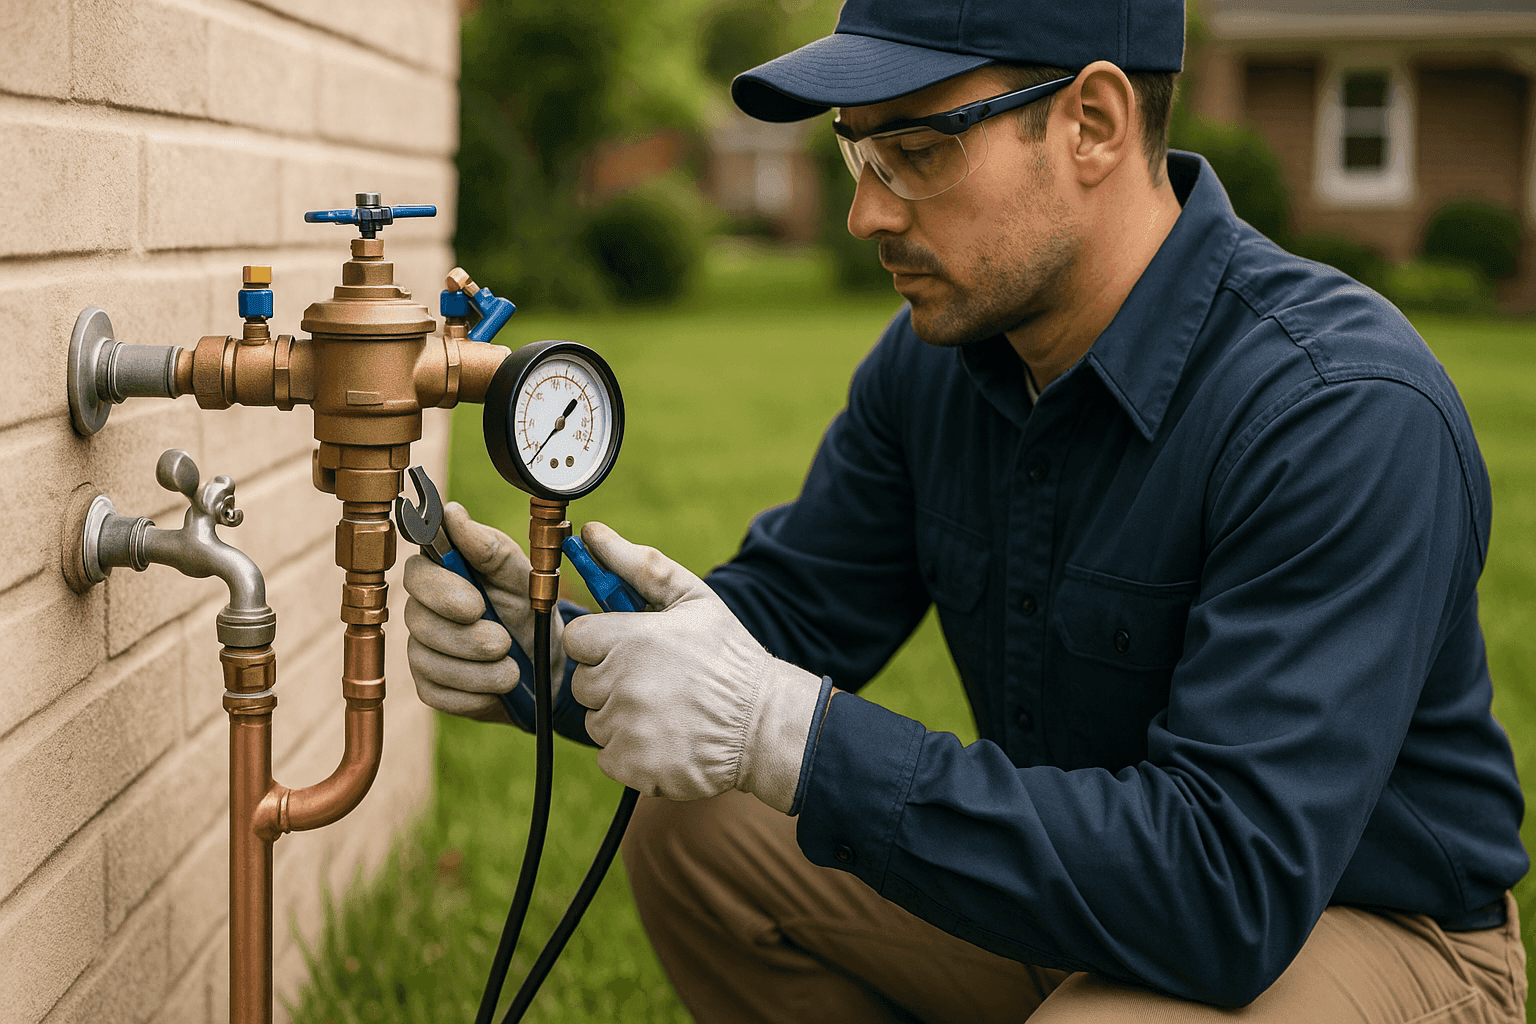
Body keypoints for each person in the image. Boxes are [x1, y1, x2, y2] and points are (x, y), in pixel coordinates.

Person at [402, 0, 1530, 1019]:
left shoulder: (1335, 409)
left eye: (915, 150)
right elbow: (790, 617)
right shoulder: (939, 365)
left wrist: (787, 734)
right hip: (1082, 890)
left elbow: (1228, 889)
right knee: (697, 833)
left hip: (1359, 925)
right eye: (856, 150)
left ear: (1093, 124)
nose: (863, 212)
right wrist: (544, 651)